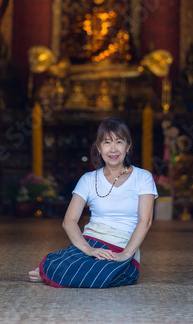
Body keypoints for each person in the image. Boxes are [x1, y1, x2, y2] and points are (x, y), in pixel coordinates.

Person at [29, 118, 158, 288]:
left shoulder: (143, 177)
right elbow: (69, 221)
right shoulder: (89, 179)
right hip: (91, 242)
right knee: (72, 264)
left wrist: (125, 254)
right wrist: (89, 250)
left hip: (121, 246)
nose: (113, 149)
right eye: (107, 142)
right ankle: (59, 271)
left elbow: (145, 221)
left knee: (114, 272)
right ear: (99, 148)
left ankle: (52, 274)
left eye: (119, 142)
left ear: (128, 146)